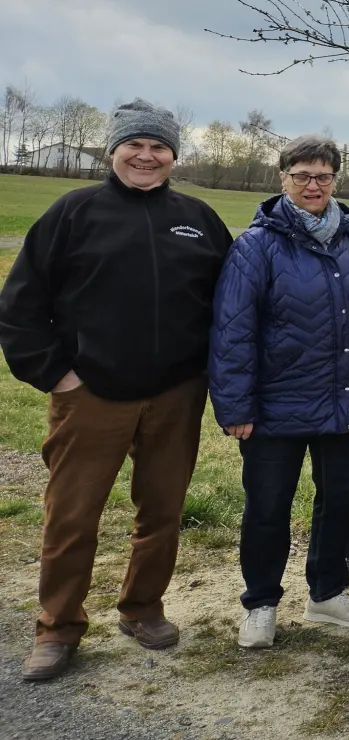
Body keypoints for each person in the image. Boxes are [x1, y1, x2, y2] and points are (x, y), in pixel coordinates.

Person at [0, 100, 232, 682]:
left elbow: (231, 306)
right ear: (113, 151)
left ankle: (142, 607)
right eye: (135, 145)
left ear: (174, 156)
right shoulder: (73, 213)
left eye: (159, 147)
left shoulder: (199, 219)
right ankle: (57, 628)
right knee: (73, 516)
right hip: (91, 394)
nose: (147, 156)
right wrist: (58, 375)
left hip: (175, 393)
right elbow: (21, 307)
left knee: (162, 511)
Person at [210, 136, 349, 650]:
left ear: (335, 180)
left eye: (322, 175)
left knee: (341, 498)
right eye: (301, 175)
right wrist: (235, 404)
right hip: (275, 406)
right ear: (284, 180)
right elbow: (233, 330)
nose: (313, 185)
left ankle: (326, 591)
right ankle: (260, 603)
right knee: (268, 507)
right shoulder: (257, 246)